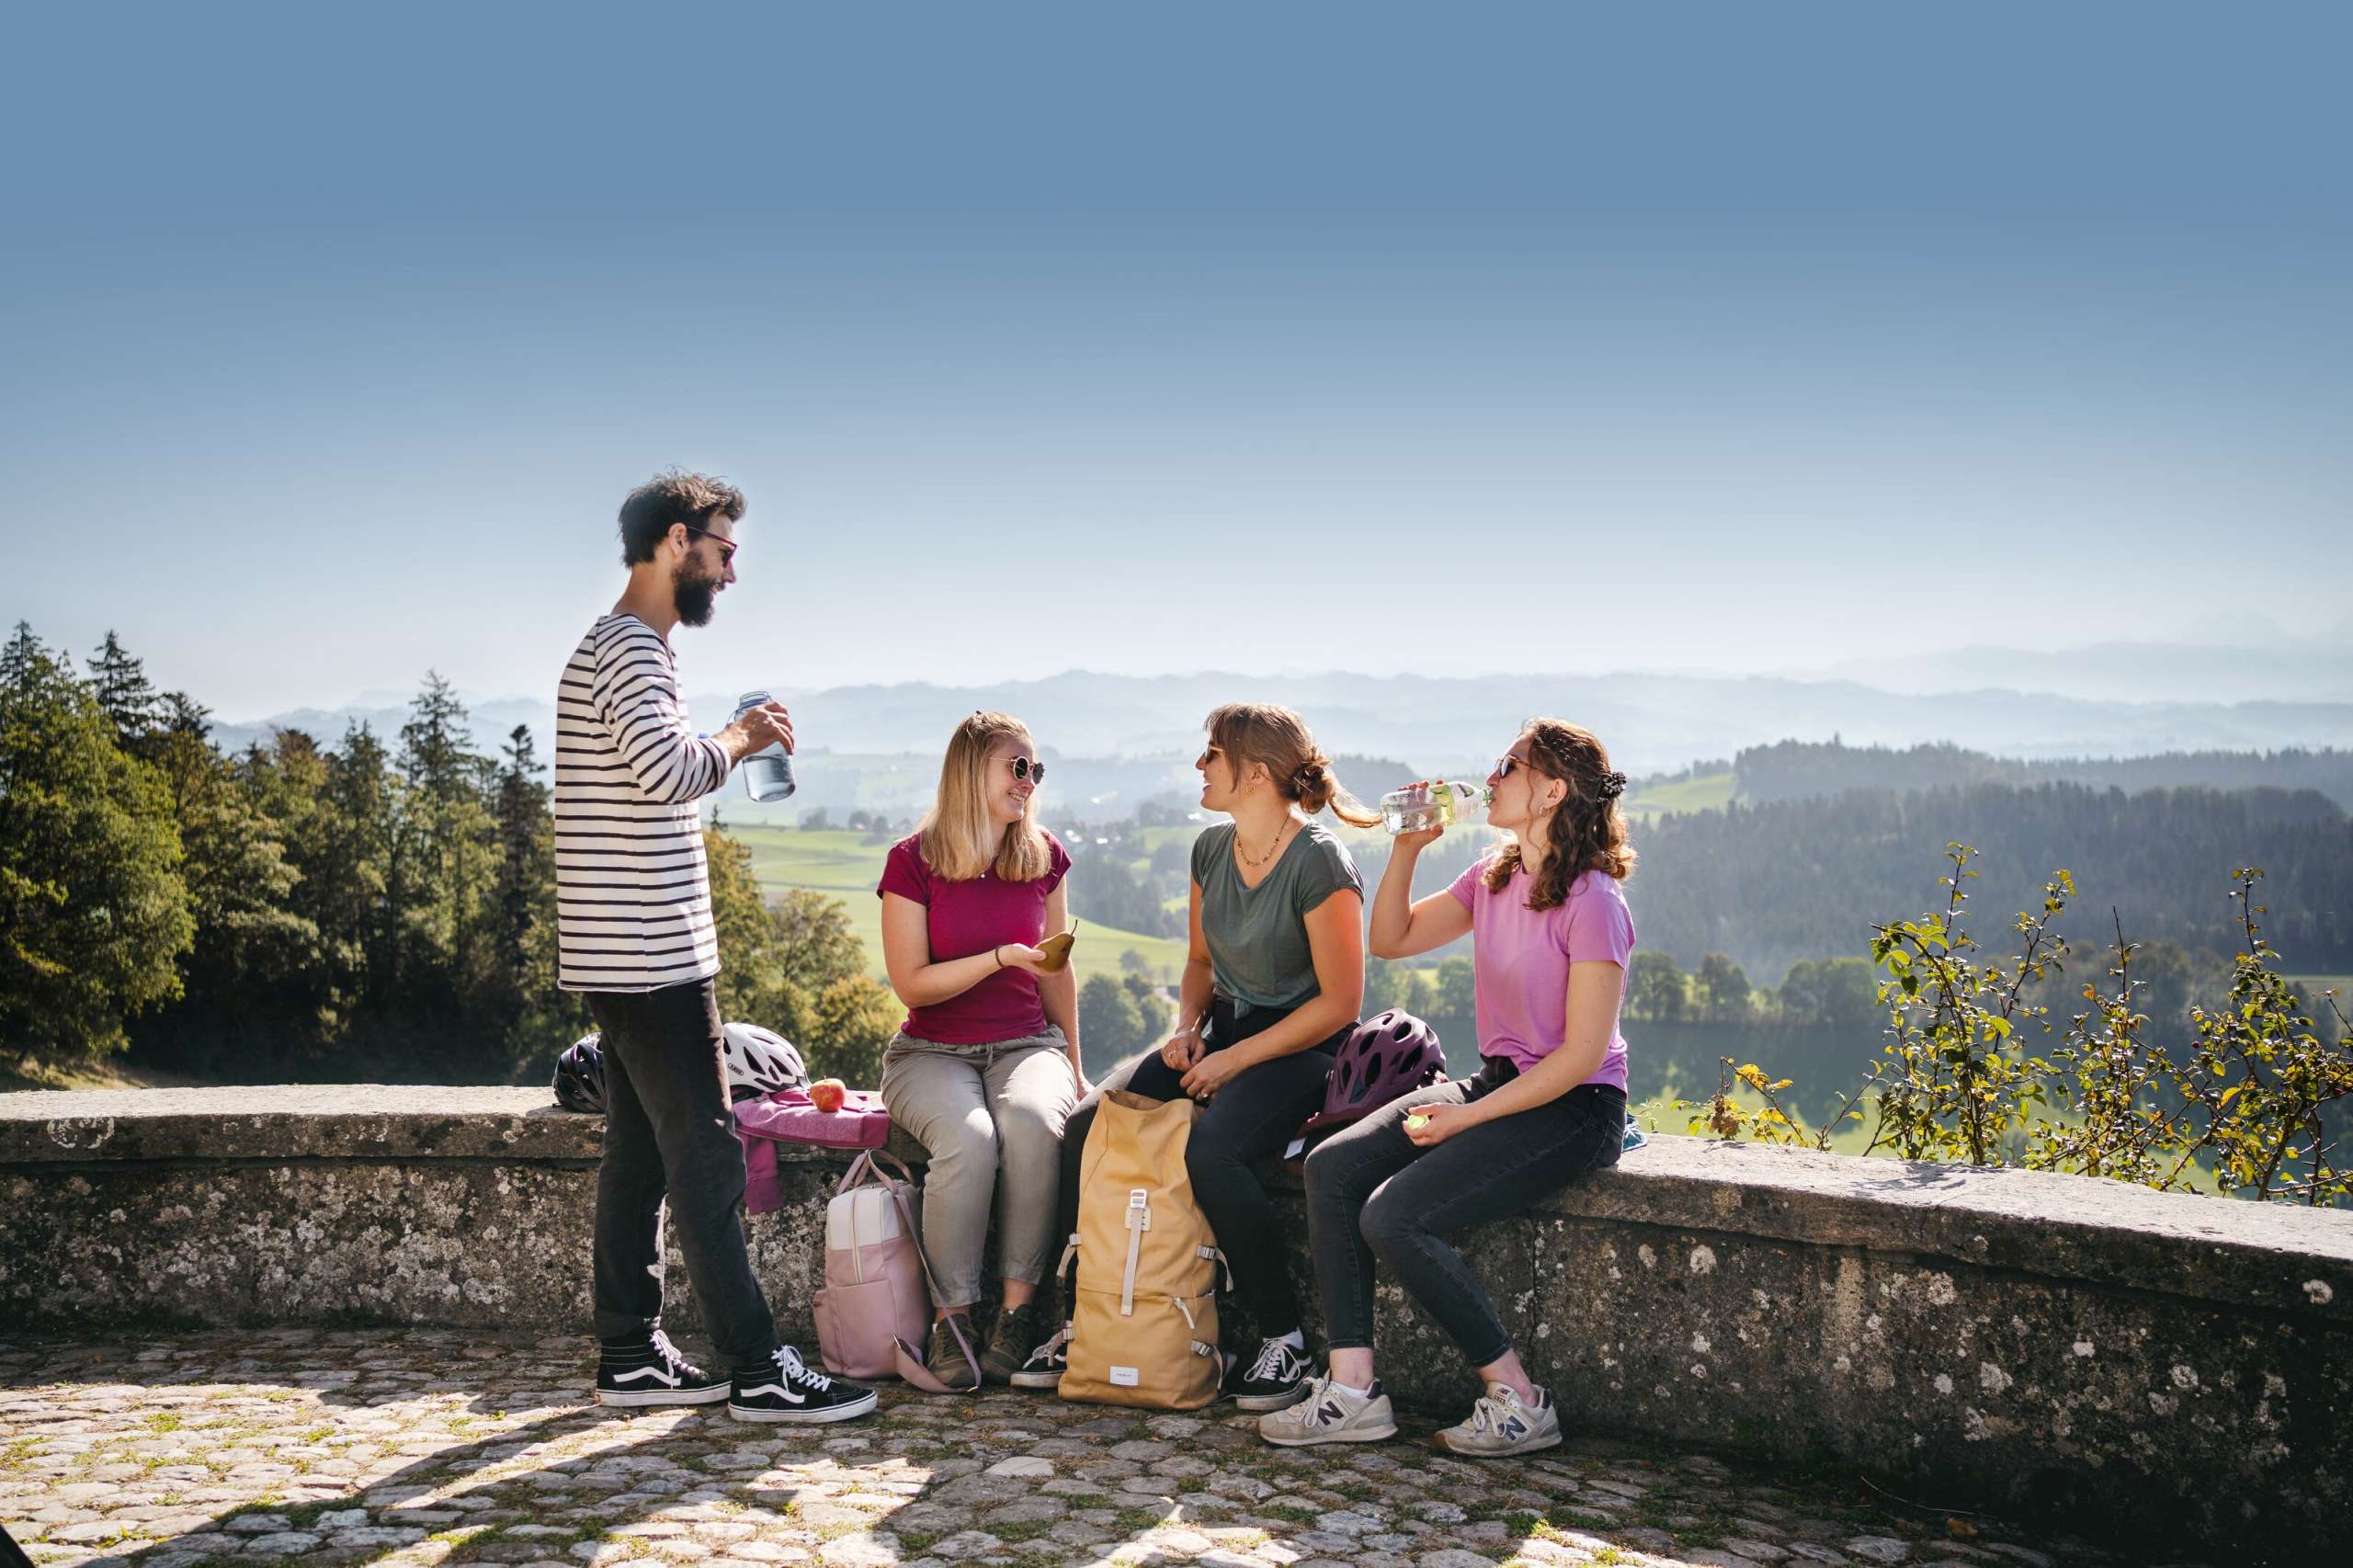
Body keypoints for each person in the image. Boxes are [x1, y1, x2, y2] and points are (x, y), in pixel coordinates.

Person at [558, 470, 874, 1424]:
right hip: (651, 955)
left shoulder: (614, 647)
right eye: (723, 549)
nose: (730, 573)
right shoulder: (633, 650)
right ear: (673, 539)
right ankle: (757, 1365)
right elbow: (666, 769)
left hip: (619, 952)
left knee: (640, 1156)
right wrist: (738, 736)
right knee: (707, 1153)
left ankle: (628, 1348)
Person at [1259, 719, 1635, 1456]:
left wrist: (1466, 1121)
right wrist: (1405, 850)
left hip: (1576, 1105)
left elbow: (1581, 1055)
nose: (1492, 777)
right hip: (1503, 1081)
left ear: (1553, 790)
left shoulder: (1595, 904)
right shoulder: (1495, 877)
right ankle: (1354, 1393)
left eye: (1510, 766)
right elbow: (1392, 937)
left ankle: (1520, 1400)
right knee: (1331, 1165)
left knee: (1394, 1216)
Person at [1016, 703, 1371, 1410]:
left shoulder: (1319, 860)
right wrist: (1187, 1029)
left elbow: (1338, 1003)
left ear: (1257, 772)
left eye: (1213, 754)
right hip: (1227, 1033)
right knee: (1090, 1126)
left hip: (1306, 1046)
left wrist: (1233, 1063)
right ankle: (1083, 1321)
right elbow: (1201, 962)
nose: (1200, 766)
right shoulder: (1210, 850)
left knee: (1213, 1152)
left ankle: (1284, 1340)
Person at [877, 711, 1086, 1391]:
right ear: (972, 771)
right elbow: (912, 983)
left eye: (1036, 770)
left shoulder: (1042, 855)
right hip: (930, 1050)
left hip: (1028, 1044)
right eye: (1016, 767)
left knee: (1032, 1124)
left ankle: (1019, 1314)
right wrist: (998, 958)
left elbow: (1057, 971)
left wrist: (1075, 1070)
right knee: (968, 1142)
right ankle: (952, 1318)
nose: (1029, 782)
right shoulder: (912, 861)